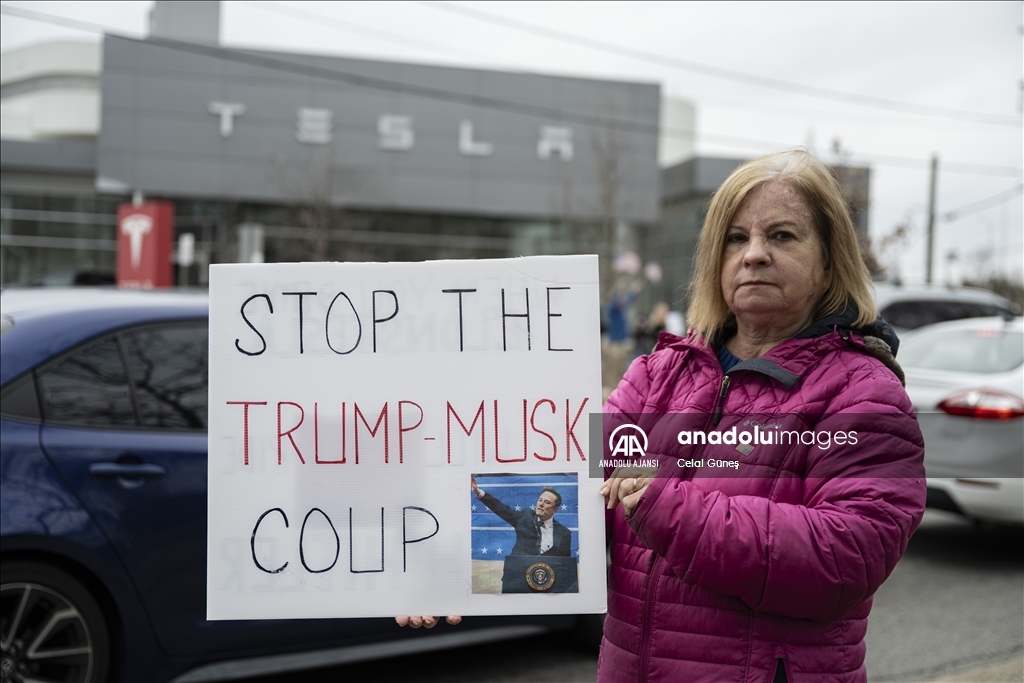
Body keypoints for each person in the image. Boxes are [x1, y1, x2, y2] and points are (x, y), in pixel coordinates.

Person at [597, 149, 925, 682]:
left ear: (828, 261)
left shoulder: (863, 393)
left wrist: (673, 511)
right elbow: (570, 502)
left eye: (782, 236)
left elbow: (847, 557)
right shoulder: (655, 375)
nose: (754, 254)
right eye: (736, 238)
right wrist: (451, 576)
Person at [471, 478, 571, 557]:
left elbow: (565, 565)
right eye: (540, 500)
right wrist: (478, 492)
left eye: (547, 502)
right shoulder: (525, 517)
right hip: (518, 575)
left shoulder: (563, 533)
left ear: (555, 509)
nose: (541, 504)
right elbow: (501, 509)